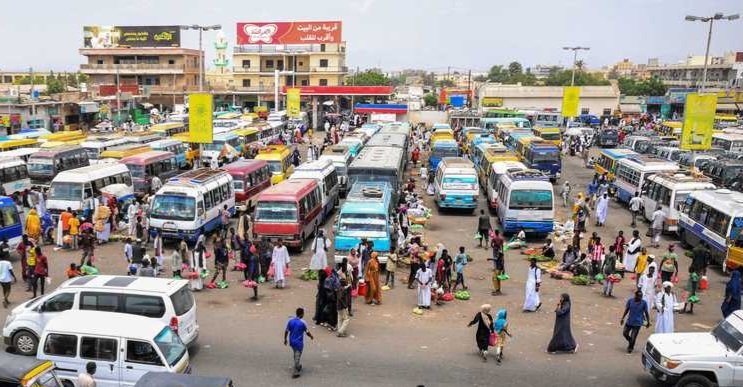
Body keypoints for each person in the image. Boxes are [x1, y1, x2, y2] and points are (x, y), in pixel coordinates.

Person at [284, 308, 314, 378]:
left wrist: (285, 339)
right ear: (302, 314)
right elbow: (307, 332)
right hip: (299, 342)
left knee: (295, 353)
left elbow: (286, 331)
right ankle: (295, 371)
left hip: (292, 341)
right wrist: (311, 336)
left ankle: (298, 365)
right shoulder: (303, 322)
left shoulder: (290, 321)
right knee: (297, 355)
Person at [488, 230, 505, 295]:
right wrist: (504, 270)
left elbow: (496, 259)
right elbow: (502, 261)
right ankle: (498, 290)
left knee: (494, 278)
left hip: (498, 268)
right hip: (500, 268)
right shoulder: (501, 253)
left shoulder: (497, 253)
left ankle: (497, 290)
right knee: (498, 279)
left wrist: (490, 259)